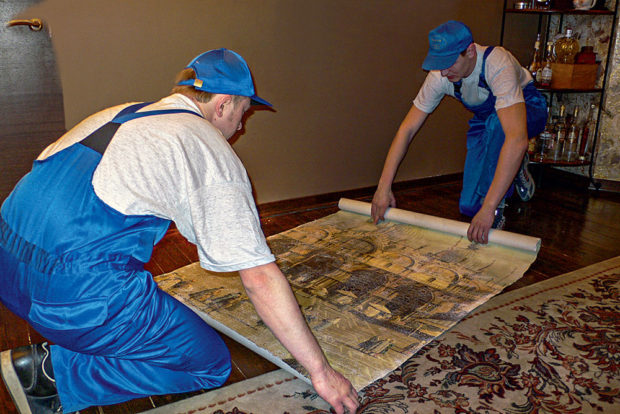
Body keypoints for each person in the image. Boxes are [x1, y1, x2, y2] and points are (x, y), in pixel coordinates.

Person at [0, 48, 359, 414]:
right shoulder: (203, 144)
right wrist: (321, 372)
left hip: (7, 274)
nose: (241, 126)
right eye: (243, 112)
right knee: (209, 363)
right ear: (222, 104)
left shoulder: (119, 113)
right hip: (70, 298)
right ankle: (51, 376)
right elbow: (258, 278)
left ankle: (76, 338)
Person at [371, 21, 547, 244]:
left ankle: (499, 204)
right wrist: (383, 187)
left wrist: (489, 208)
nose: (444, 72)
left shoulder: (496, 63)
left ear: (470, 51)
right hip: (488, 121)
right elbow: (407, 129)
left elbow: (517, 139)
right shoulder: (440, 75)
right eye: (439, 64)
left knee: (498, 132)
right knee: (470, 207)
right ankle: (516, 166)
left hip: (529, 110)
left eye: (449, 63)